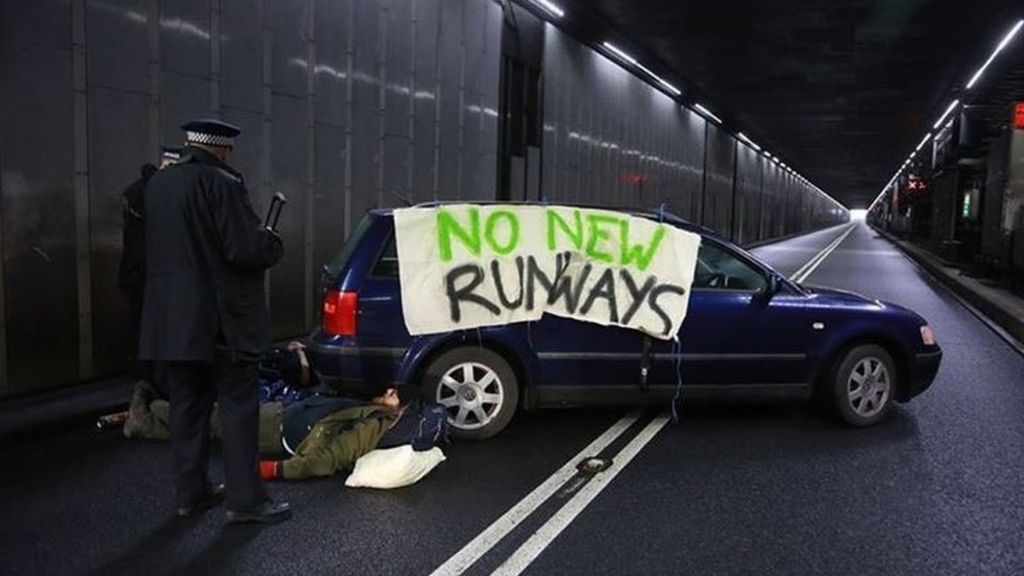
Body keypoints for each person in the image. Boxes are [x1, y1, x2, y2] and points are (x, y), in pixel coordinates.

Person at [138, 118, 290, 524]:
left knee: (187, 404)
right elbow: (244, 250)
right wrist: (271, 243)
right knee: (239, 407)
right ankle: (245, 501)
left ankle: (192, 493)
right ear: (222, 149)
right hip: (221, 322)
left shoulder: (160, 185)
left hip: (173, 322)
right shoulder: (222, 183)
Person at [118, 146, 182, 390]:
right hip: (153, 276)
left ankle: (145, 381)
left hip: (138, 275)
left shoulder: (137, 191)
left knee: (143, 331)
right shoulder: (160, 194)